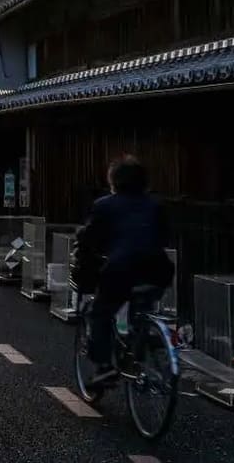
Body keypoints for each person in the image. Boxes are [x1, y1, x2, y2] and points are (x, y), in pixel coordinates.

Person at [73, 156, 174, 384]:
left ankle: (104, 366)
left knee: (99, 312)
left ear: (114, 182)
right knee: (140, 307)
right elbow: (164, 236)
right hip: (158, 270)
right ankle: (139, 348)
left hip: (122, 270)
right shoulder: (156, 205)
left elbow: (90, 239)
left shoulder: (105, 205)